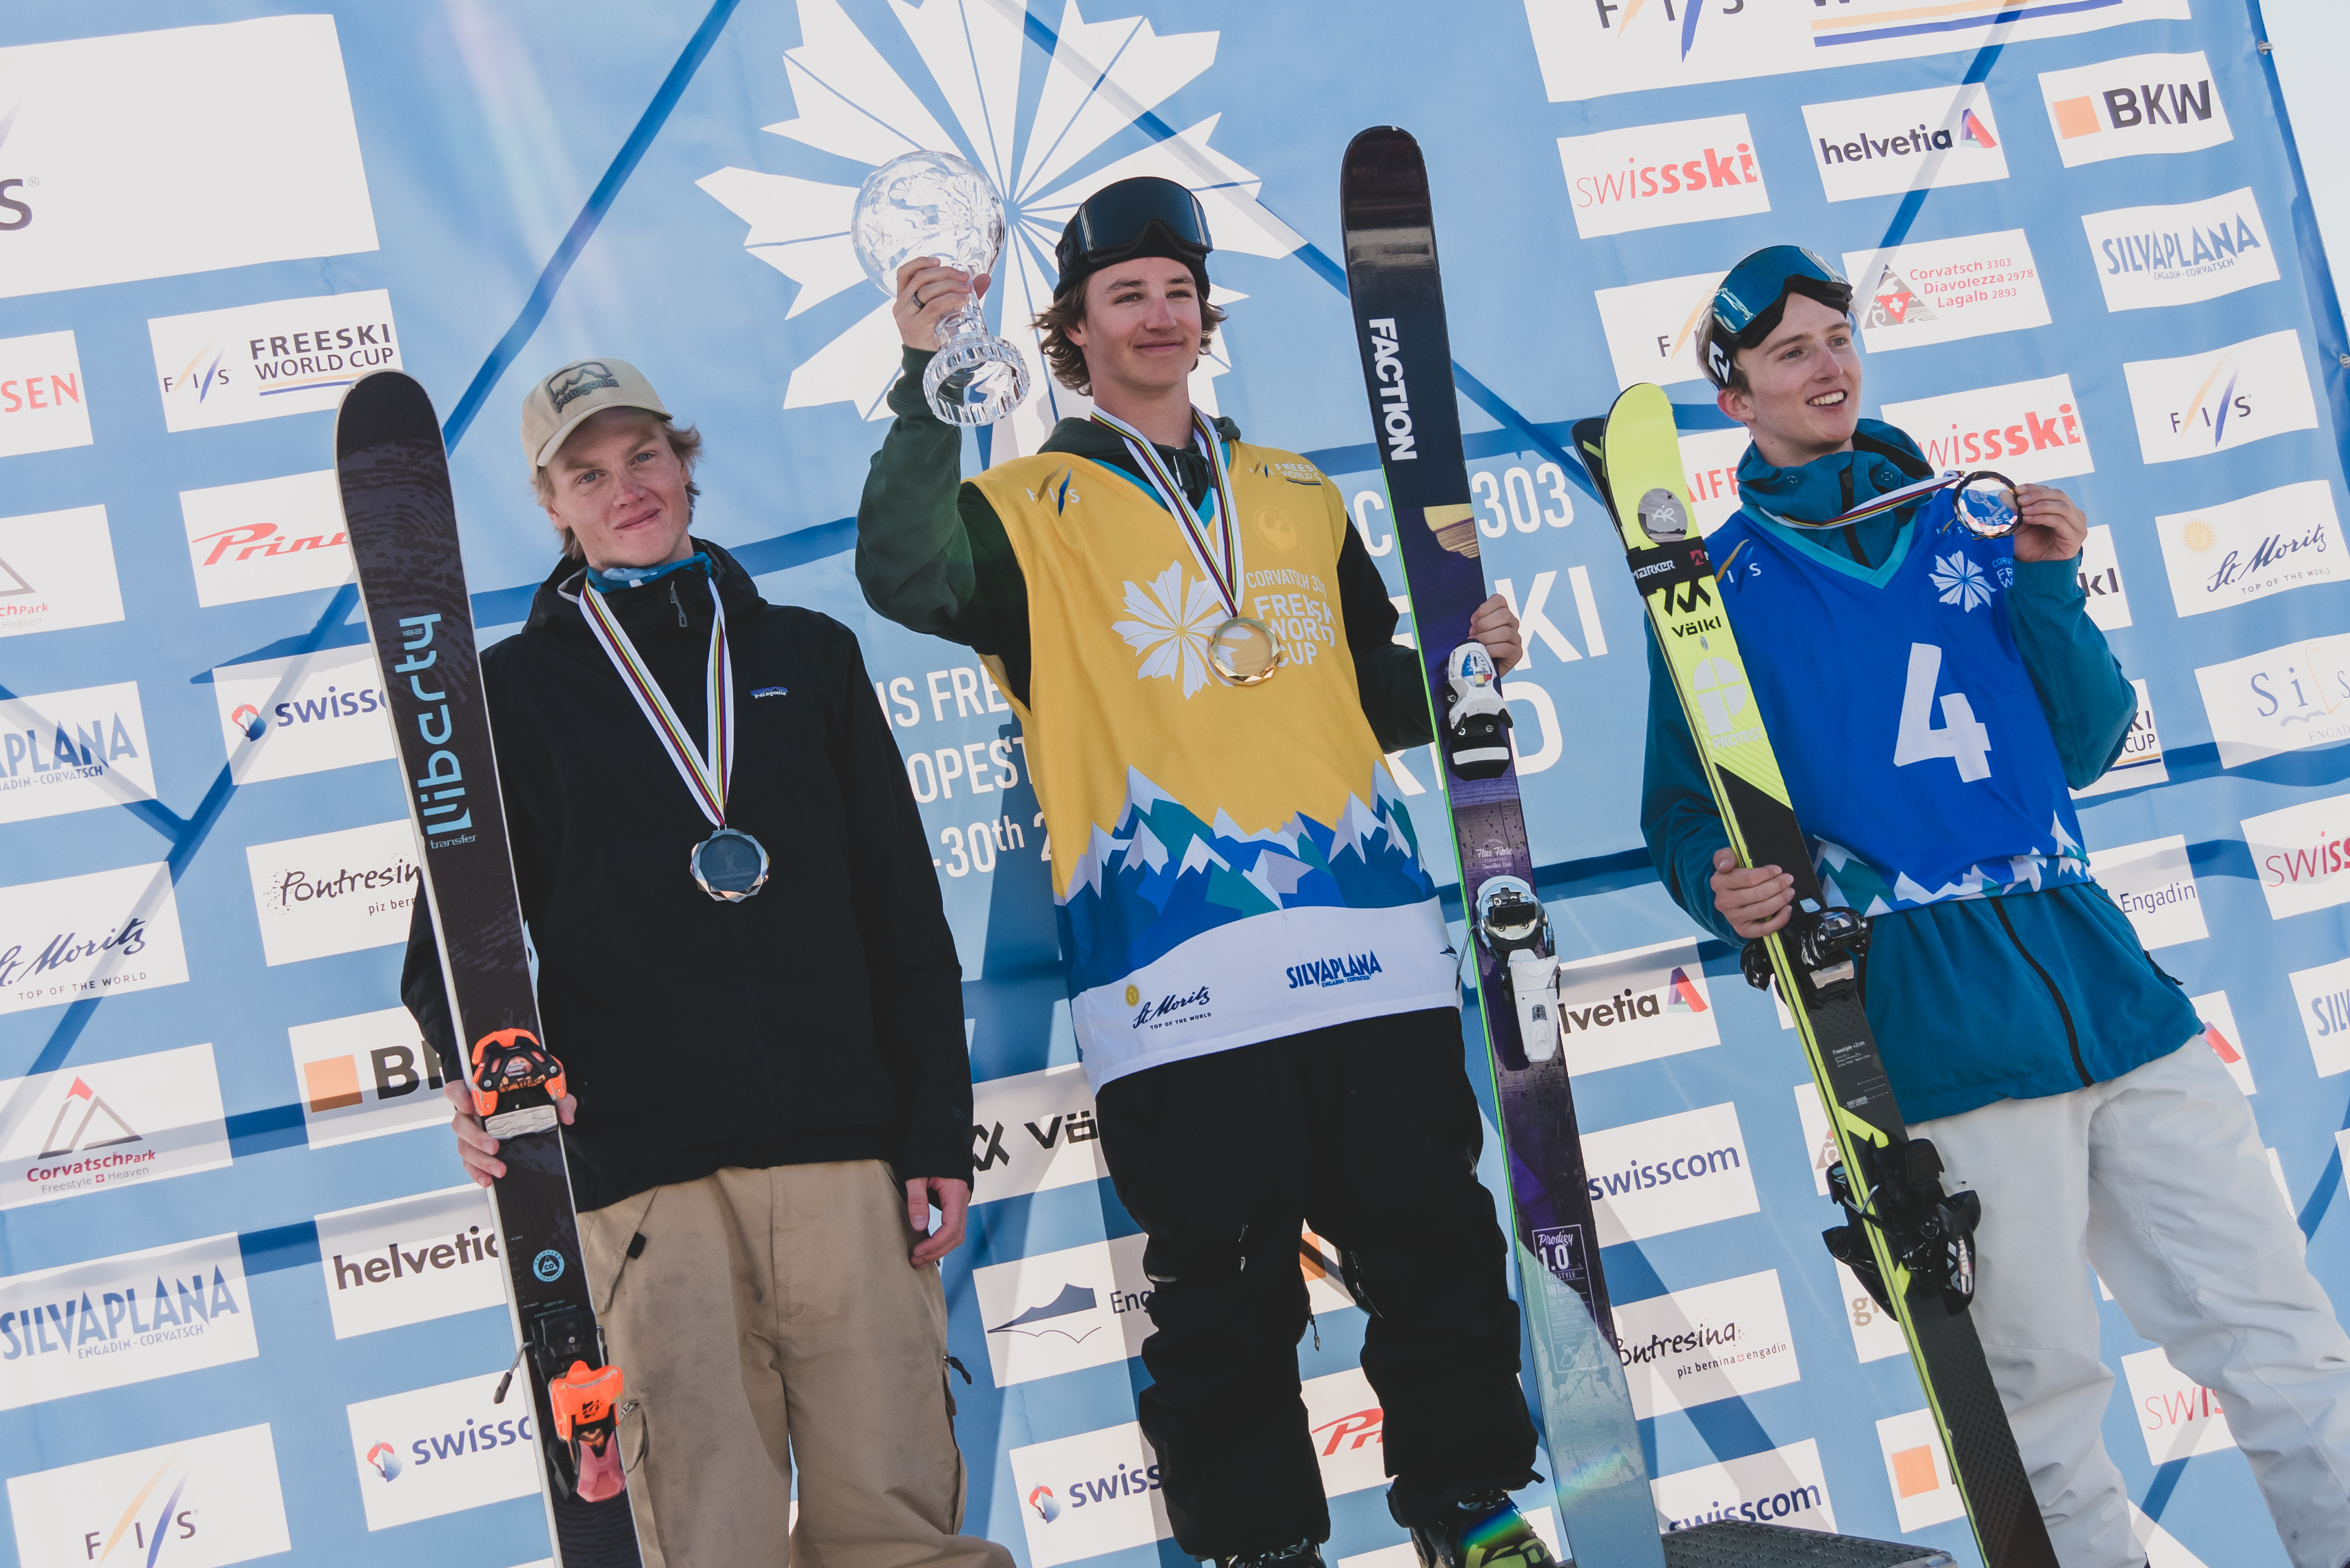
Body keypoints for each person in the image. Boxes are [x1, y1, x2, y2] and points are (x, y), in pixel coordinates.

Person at [856, 176, 1545, 1568]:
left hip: (1368, 950)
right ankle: (1261, 1545)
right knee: (1225, 1300)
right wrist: (925, 383)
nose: (1160, 316)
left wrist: (1464, 667)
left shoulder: (1294, 489)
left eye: (1179, 292)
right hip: (1175, 978)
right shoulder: (1021, 506)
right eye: (1128, 296)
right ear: (1072, 329)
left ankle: (1469, 1508)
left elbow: (1372, 692)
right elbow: (901, 572)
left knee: (1436, 1249)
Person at [1646, 246, 2350, 1568]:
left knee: (2280, 1332)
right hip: (1932, 1012)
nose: (1827, 365)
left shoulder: (1972, 522)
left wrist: (2047, 580)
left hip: (2102, 978)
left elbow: (2085, 740)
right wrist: (1718, 883)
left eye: (1837, 338)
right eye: (1790, 352)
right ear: (1735, 398)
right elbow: (1682, 807)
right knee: (2041, 1404)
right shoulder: (1713, 587)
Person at [402, 357, 1011, 1568]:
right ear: (552, 505)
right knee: (708, 1536)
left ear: (685, 465)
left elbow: (902, 913)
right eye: (588, 474)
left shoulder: (808, 653)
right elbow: (449, 955)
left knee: (898, 1528)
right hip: (645, 1182)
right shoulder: (511, 691)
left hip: (843, 1158)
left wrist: (934, 1132)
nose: (625, 487)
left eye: (644, 456)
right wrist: (483, 1080)